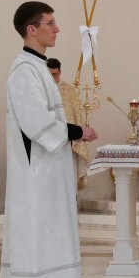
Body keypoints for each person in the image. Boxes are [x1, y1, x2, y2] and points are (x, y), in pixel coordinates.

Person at [0, 1, 97, 278]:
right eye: (50, 23)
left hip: (49, 176)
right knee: (36, 245)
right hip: (34, 179)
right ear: (32, 29)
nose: (56, 29)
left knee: (49, 245)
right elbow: (35, 121)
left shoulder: (38, 67)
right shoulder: (23, 70)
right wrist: (75, 131)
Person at [46, 56, 89, 189]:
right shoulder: (41, 90)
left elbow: (77, 115)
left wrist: (79, 134)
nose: (53, 78)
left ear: (60, 72)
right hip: (48, 141)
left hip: (67, 141)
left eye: (55, 74)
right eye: (49, 74)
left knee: (67, 179)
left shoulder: (68, 90)